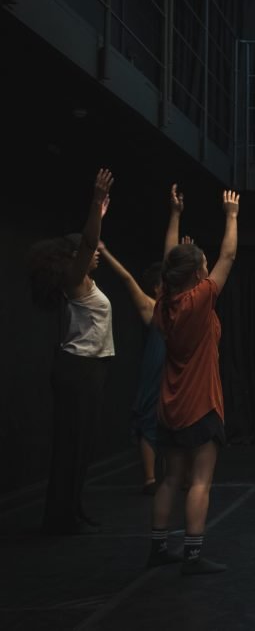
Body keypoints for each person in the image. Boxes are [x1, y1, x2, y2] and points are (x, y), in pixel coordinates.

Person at [148, 188, 240, 575]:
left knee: (171, 478)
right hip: (200, 403)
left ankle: (157, 548)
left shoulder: (165, 304)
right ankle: (192, 554)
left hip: (169, 406)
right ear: (200, 274)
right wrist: (231, 214)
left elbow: (171, 261)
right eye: (203, 262)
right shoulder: (199, 299)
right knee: (200, 481)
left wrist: (174, 214)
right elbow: (230, 255)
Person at [29, 168, 115, 535]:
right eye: (89, 251)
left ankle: (73, 510)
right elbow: (88, 243)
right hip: (76, 370)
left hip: (88, 370)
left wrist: (100, 214)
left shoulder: (85, 280)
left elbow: (90, 242)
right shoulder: (73, 279)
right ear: (76, 255)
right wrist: (95, 204)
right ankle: (59, 518)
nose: (96, 254)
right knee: (69, 447)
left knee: (82, 446)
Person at [98, 184, 186, 494]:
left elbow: (170, 260)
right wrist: (105, 251)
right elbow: (125, 277)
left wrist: (175, 214)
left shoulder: (177, 303)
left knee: (175, 422)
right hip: (157, 368)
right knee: (150, 419)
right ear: (156, 289)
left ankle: (170, 473)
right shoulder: (152, 307)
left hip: (177, 367)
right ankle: (150, 478)